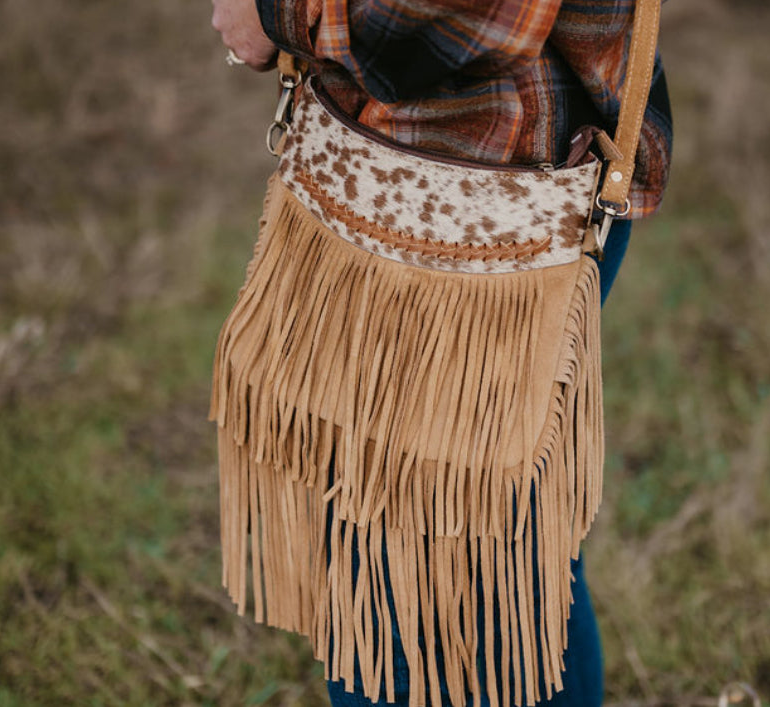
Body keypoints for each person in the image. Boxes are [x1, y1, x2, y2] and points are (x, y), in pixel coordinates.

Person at [211, 0, 672, 704]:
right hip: (426, 191)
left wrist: (275, 13)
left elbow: (469, 18)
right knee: (500, 547)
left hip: (482, 223)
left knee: (405, 567)